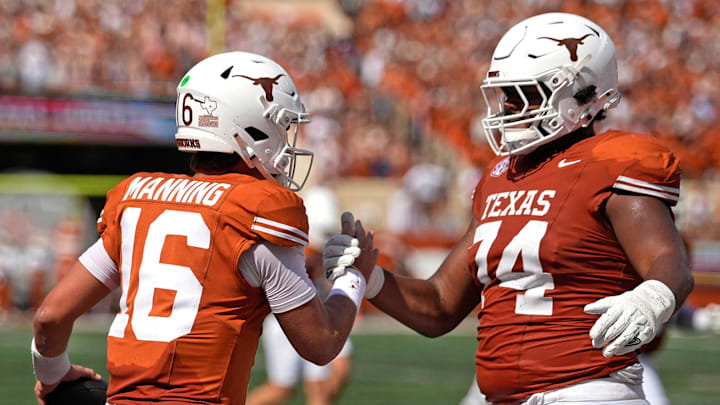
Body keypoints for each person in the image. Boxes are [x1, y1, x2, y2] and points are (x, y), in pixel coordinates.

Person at [323, 12, 694, 405]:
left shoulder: (612, 160)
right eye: (507, 95)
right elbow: (439, 305)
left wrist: (653, 297)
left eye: (528, 93)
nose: (511, 107)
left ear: (584, 94)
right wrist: (371, 277)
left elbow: (668, 259)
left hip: (589, 389)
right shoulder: (501, 176)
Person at [31, 51, 377, 405]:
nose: (286, 142)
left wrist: (53, 375)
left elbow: (50, 317)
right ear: (248, 127)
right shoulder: (258, 210)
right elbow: (320, 344)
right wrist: (354, 278)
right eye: (280, 126)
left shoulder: (137, 201)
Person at [247, 187, 354, 405]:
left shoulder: (312, 248)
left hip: (313, 314)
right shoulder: (296, 249)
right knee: (282, 389)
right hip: (290, 319)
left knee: (325, 383)